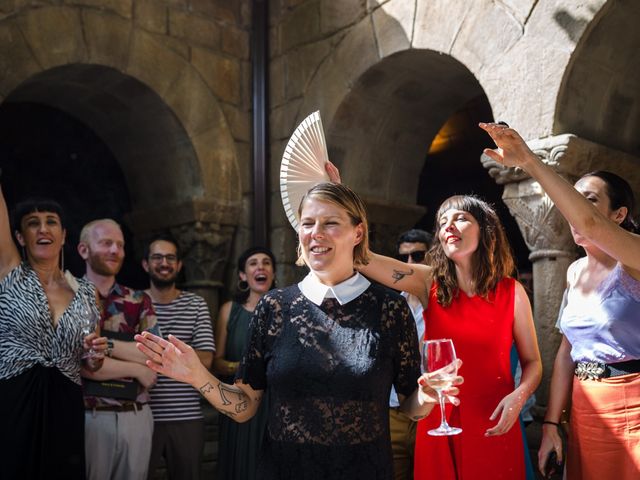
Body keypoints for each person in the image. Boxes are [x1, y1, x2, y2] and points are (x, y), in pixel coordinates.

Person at [136, 182, 462, 480]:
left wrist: (429, 395)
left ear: (358, 233)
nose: (316, 233)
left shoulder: (390, 308)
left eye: (331, 223)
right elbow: (246, 405)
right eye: (308, 223)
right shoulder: (273, 307)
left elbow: (410, 406)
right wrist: (198, 377)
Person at [480, 121, 640, 480]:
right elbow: (568, 350)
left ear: (619, 215)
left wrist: (530, 162)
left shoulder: (635, 258)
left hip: (633, 401)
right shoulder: (574, 271)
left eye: (590, 199)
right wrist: (552, 423)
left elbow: (592, 225)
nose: (575, 210)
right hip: (585, 406)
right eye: (574, 196)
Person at [0, 187, 106, 479]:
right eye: (33, 223)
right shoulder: (8, 274)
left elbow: (91, 360)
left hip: (65, 403)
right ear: (20, 237)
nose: (43, 228)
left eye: (51, 221)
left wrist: (95, 356)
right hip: (12, 400)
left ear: (63, 235)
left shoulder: (87, 293)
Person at [78, 218, 159, 480]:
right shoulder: (67, 296)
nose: (115, 250)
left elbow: (154, 357)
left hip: (135, 416)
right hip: (88, 418)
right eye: (106, 243)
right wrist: (136, 368)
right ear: (83, 249)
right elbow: (78, 364)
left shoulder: (138, 299)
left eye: (120, 245)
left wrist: (107, 347)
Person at [142, 234, 216, 480]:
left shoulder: (196, 305)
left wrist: (153, 356)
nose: (164, 263)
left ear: (179, 265)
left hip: (186, 417)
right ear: (145, 264)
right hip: (142, 415)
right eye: (158, 257)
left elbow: (205, 360)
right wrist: (179, 357)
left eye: (171, 258)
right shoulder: (133, 302)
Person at [212, 246, 276, 480]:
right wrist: (245, 368)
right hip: (238, 400)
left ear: (273, 273)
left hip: (275, 405)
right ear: (242, 276)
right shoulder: (229, 311)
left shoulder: (287, 311)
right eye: (253, 263)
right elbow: (216, 363)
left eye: (267, 262)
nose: (261, 267)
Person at [389, 229, 432, 480]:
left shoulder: (445, 303)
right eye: (403, 258)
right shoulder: (391, 305)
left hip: (432, 411)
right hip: (393, 409)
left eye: (417, 255)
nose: (410, 264)